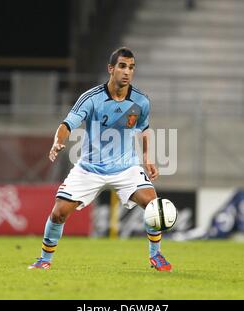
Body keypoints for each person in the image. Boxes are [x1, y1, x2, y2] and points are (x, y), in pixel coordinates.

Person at [28, 47, 172, 272]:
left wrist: (147, 156)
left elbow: (144, 128)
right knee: (58, 213)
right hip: (89, 168)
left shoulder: (141, 101)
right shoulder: (91, 98)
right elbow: (67, 124)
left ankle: (157, 256)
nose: (127, 72)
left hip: (127, 167)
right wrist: (58, 141)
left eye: (131, 67)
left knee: (153, 205)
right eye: (122, 66)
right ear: (111, 69)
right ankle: (44, 259)